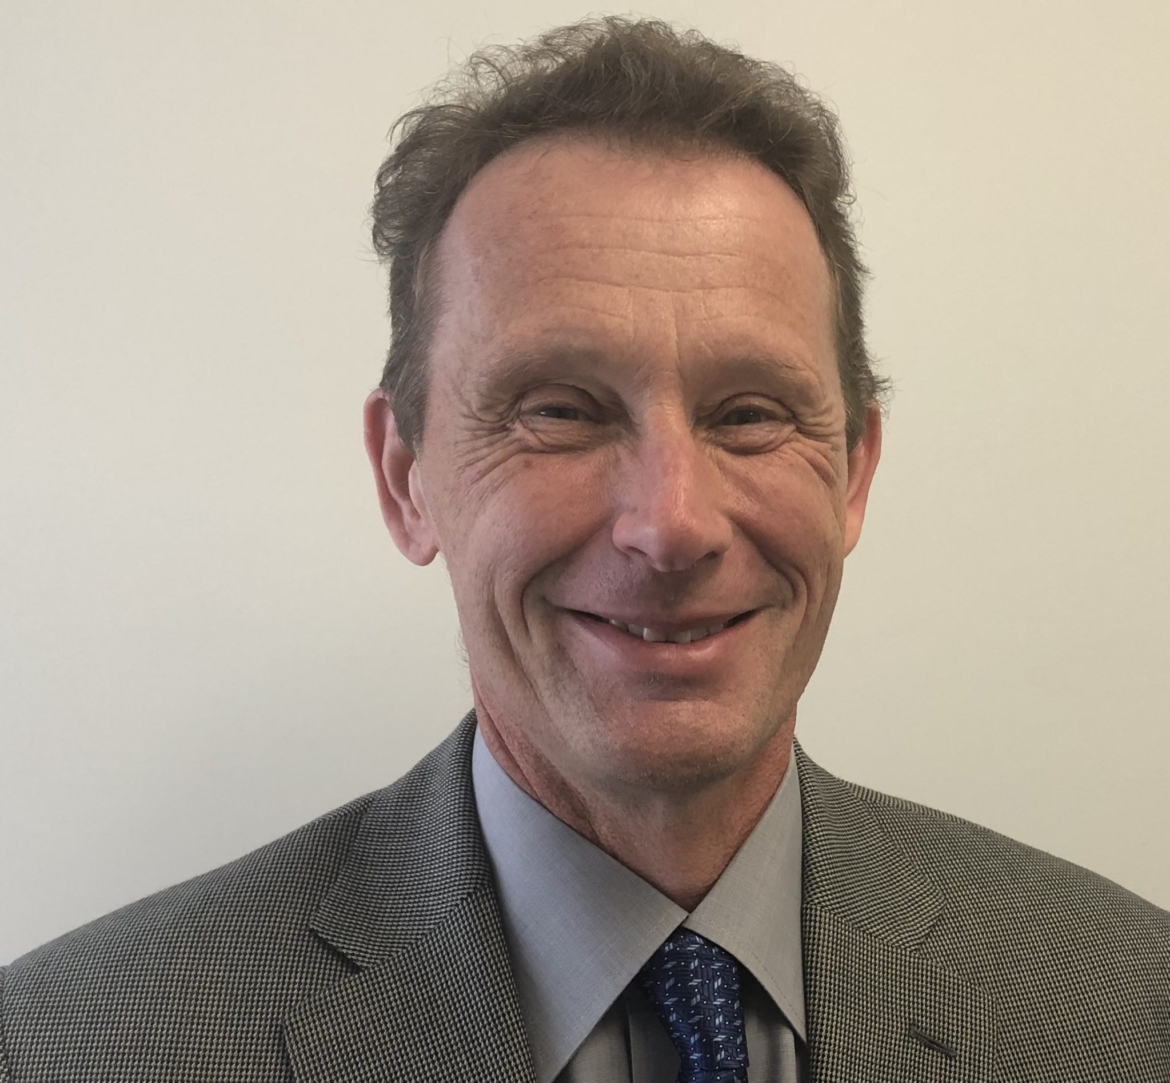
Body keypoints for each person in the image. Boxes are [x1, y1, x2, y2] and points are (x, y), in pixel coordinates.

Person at [2, 15, 1166, 1083]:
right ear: (406, 478)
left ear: (854, 471)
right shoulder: (73, 1045)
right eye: (558, 410)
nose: (673, 523)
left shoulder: (1125, 1005)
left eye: (751, 413)